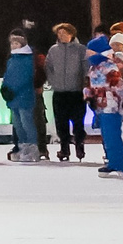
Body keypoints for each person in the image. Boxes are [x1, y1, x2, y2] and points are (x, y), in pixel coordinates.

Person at [89, 31, 123, 178]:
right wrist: (89, 97)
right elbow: (90, 85)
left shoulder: (109, 67)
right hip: (101, 106)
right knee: (107, 136)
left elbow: (118, 85)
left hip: (111, 106)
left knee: (113, 135)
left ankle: (119, 165)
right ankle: (113, 162)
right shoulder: (95, 67)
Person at [45, 23, 88, 162]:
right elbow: (48, 67)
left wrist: (84, 85)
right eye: (59, 33)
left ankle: (79, 144)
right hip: (59, 92)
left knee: (78, 121)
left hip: (76, 92)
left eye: (65, 33)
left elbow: (85, 68)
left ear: (72, 34)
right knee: (61, 121)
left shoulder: (81, 49)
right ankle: (64, 148)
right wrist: (53, 82)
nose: (62, 36)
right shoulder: (53, 50)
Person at [2, 32, 43, 162]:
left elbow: (25, 77)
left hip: (24, 95)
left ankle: (32, 148)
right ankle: (22, 146)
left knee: (27, 123)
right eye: (12, 43)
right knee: (18, 124)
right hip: (13, 97)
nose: (13, 45)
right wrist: (4, 87)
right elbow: (8, 76)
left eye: (16, 43)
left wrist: (12, 89)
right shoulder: (11, 59)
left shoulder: (28, 59)